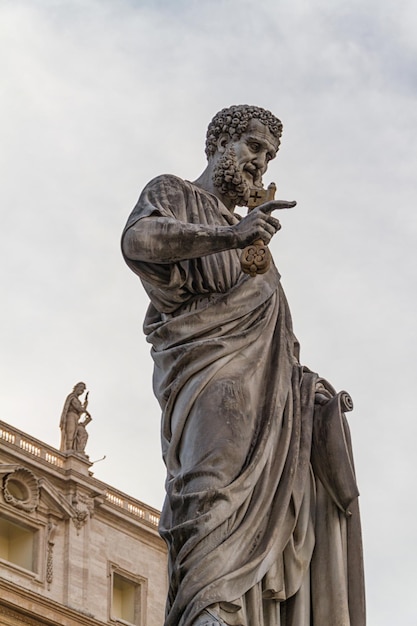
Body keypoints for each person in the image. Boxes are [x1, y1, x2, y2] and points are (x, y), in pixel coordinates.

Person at [121, 105, 365, 626]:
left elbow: (282, 343)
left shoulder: (256, 242)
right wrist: (230, 237)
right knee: (207, 490)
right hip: (205, 371)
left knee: (244, 502)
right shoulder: (172, 193)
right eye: (253, 148)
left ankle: (234, 611)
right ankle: (208, 611)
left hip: (266, 394)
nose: (260, 165)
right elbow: (137, 241)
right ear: (220, 144)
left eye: (269, 157)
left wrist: (311, 393)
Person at [59, 382, 91, 452]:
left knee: (74, 434)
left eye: (83, 390)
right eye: (81, 388)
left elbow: (80, 411)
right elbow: (78, 407)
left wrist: (85, 406)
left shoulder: (77, 400)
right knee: (70, 432)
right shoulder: (72, 397)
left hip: (75, 417)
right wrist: (86, 411)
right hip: (70, 416)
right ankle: (68, 449)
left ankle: (73, 450)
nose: (82, 391)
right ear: (77, 387)